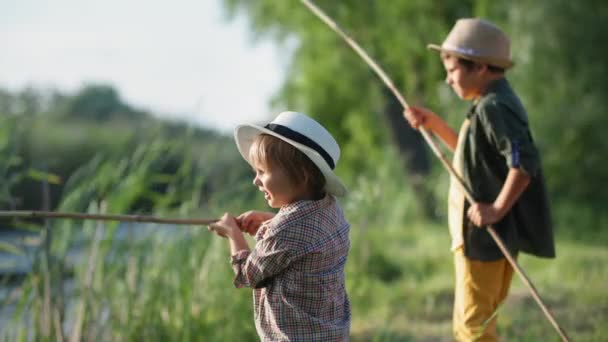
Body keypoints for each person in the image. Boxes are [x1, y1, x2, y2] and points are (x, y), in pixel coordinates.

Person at [403, 18, 555, 341]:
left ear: (482, 67)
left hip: (484, 239)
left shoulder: (494, 107)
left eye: (453, 70)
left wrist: (496, 209)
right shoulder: (490, 105)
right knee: (477, 321)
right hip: (488, 238)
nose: (448, 80)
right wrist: (433, 124)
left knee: (473, 328)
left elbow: (523, 163)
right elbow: (471, 155)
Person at [208, 111, 351, 341]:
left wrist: (233, 234)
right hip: (330, 333)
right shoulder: (330, 208)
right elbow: (303, 236)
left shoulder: (285, 230)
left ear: (301, 175)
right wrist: (271, 221)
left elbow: (249, 275)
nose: (256, 180)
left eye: (262, 172)